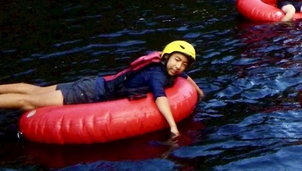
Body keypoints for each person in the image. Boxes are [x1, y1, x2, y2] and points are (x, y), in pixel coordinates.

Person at [0, 41, 205, 137]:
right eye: (177, 60)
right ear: (167, 57)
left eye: (184, 64)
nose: (178, 66)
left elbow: (183, 75)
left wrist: (198, 90)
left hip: (93, 83)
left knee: (34, 91)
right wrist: (173, 127)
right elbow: (160, 98)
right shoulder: (157, 75)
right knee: (27, 102)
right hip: (90, 93)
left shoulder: (162, 66)